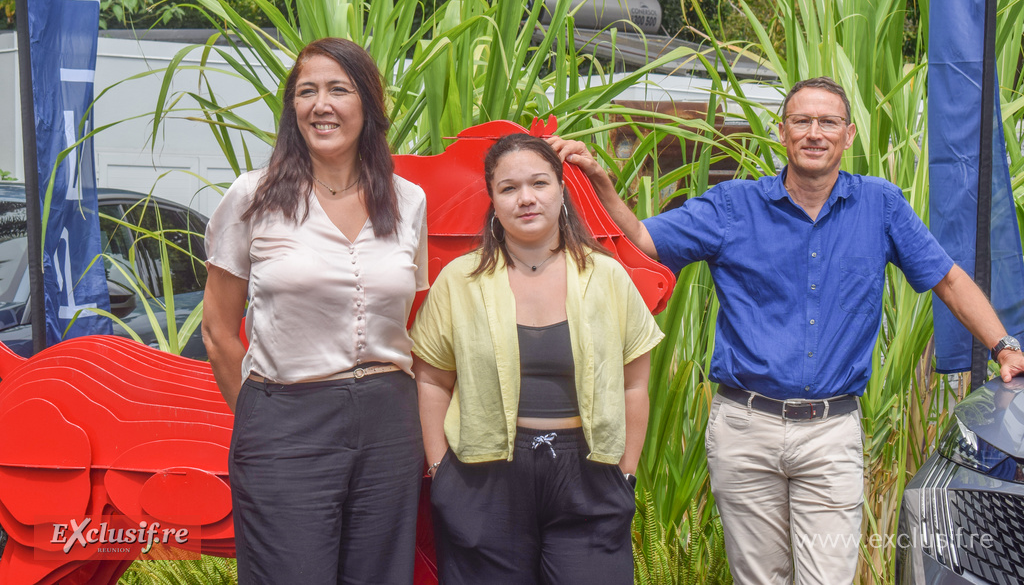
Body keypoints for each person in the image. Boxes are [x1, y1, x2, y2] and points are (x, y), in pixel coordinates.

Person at [548, 76, 1024, 585]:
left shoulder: (880, 205)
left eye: (828, 122)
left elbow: (949, 279)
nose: (814, 133)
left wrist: (1004, 346)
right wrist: (598, 179)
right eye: (802, 121)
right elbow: (643, 240)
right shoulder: (732, 205)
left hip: (830, 432)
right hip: (745, 429)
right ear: (782, 132)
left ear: (848, 135)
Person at [201, 38, 428, 584]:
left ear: (368, 105)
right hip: (286, 418)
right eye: (307, 92)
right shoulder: (252, 197)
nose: (321, 105)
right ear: (292, 109)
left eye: (338, 89)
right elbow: (216, 331)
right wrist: (264, 421)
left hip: (390, 420)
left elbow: (408, 316)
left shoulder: (408, 201)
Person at [411, 133, 663, 585]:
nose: (526, 198)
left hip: (590, 475)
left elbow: (634, 384)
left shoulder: (605, 274)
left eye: (539, 183)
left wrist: (625, 473)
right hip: (482, 479)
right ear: (492, 199)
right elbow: (431, 380)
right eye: (508, 188)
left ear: (561, 191)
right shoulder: (459, 280)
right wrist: (440, 471)